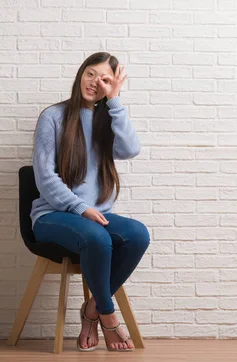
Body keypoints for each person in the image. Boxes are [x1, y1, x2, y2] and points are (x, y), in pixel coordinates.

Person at [29, 52, 150, 352]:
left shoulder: (105, 120)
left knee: (137, 235)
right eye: (91, 73)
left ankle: (92, 308)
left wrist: (116, 102)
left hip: (95, 214)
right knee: (97, 239)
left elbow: (131, 149)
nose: (95, 82)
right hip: (52, 215)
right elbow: (44, 178)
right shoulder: (53, 117)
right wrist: (80, 208)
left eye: (105, 79)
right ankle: (108, 318)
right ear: (80, 74)